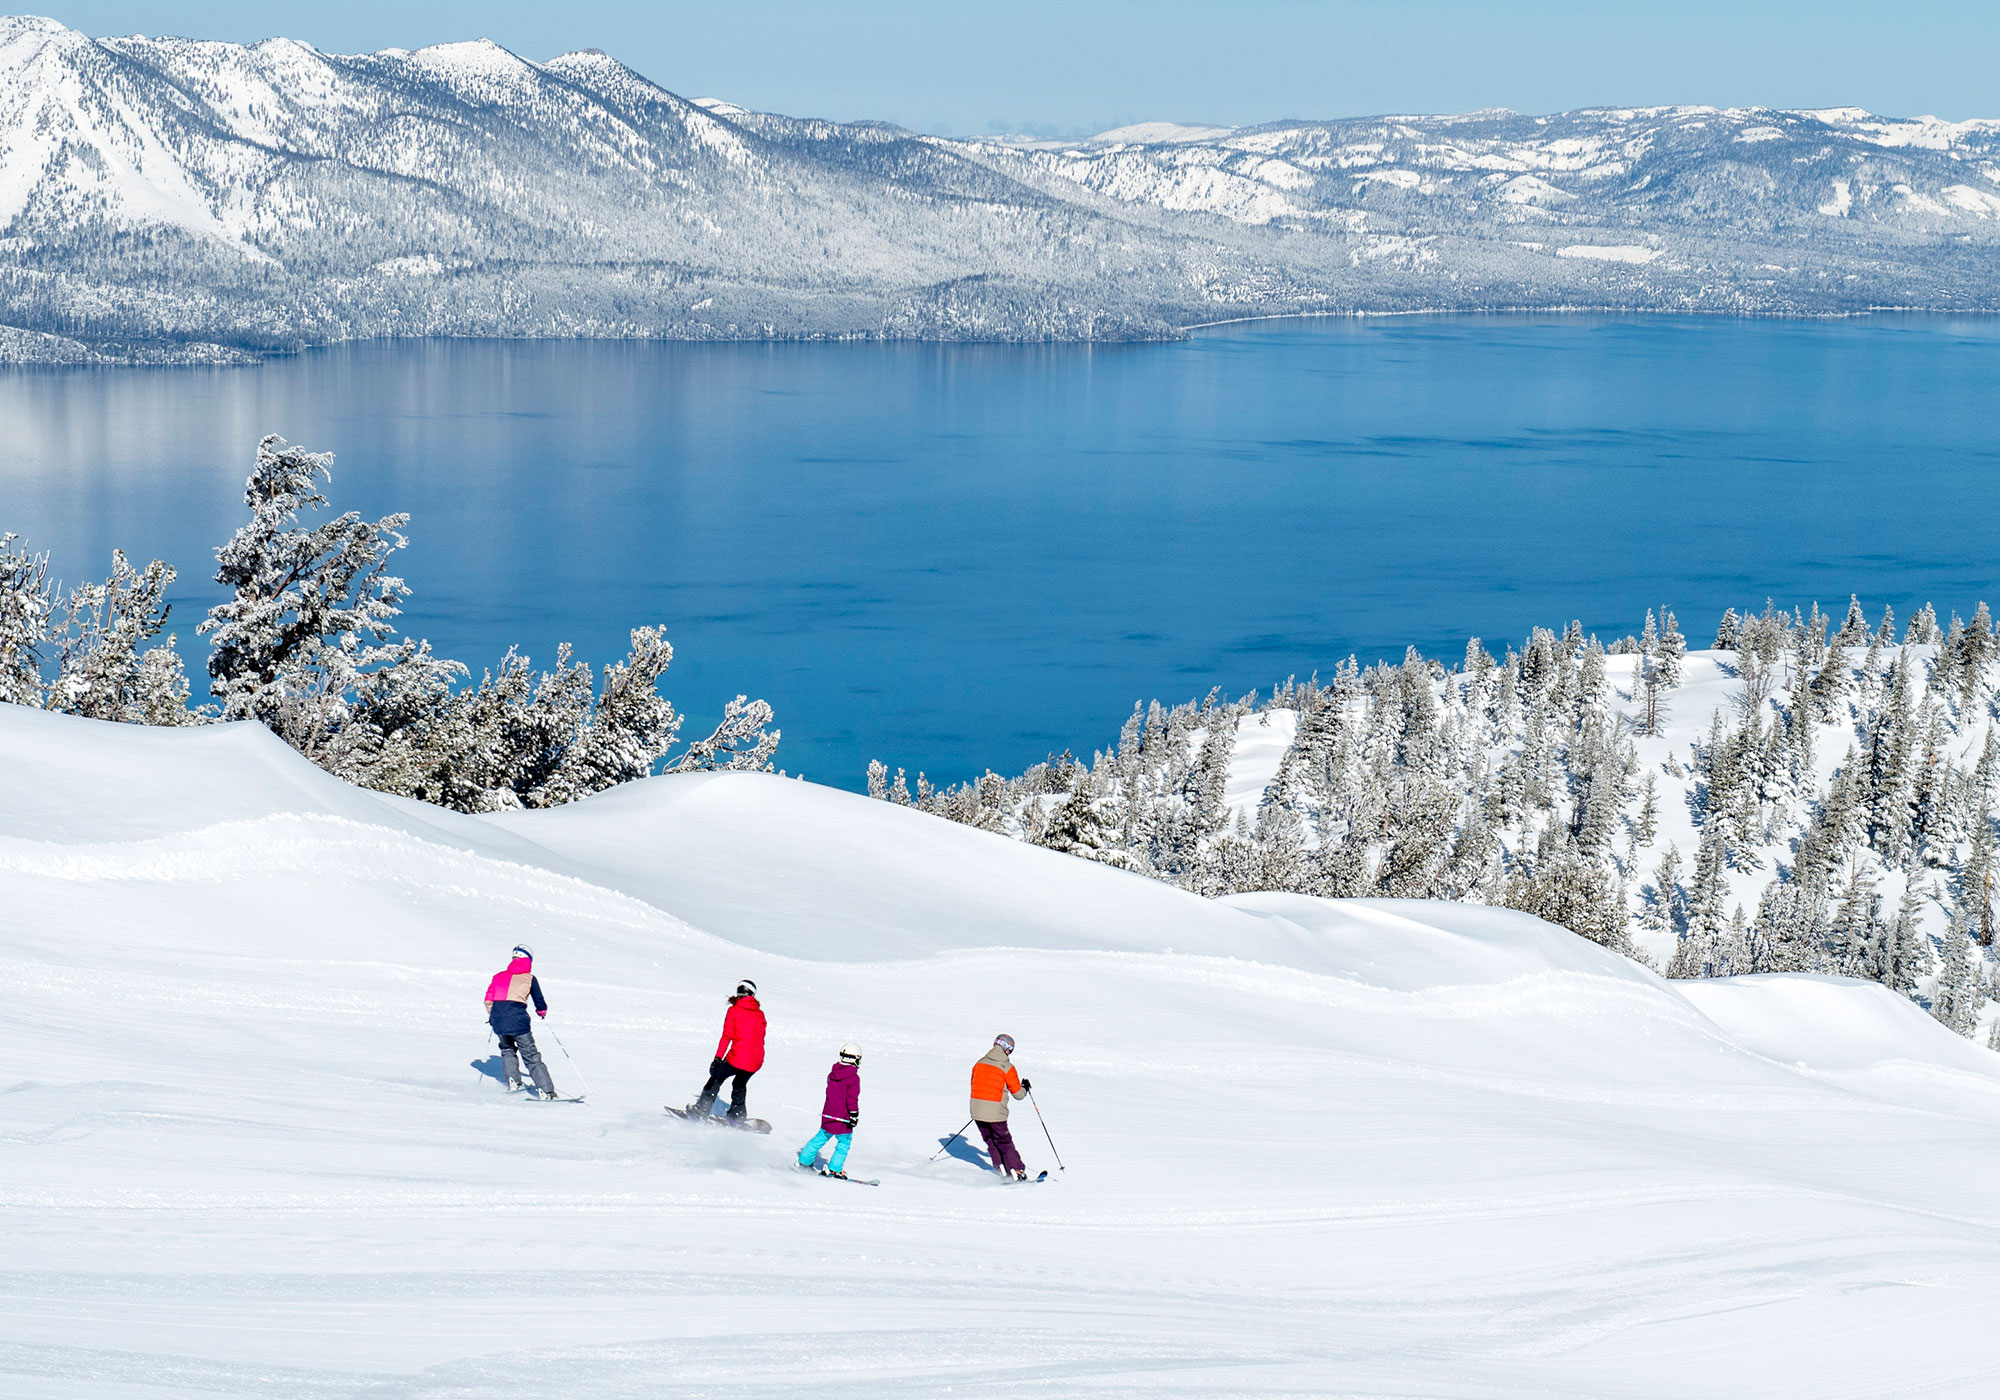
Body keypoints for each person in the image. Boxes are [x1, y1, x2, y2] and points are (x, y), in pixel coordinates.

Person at [484, 945, 558, 1099]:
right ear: (529, 960)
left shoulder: (498, 976)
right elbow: (539, 1000)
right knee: (531, 1056)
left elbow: (488, 1000)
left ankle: (514, 1082)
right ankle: (546, 1091)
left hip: (498, 1022)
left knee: (507, 1050)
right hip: (518, 1022)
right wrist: (541, 1011)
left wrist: (495, 1016)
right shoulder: (529, 978)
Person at [691, 979, 765, 1119]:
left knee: (716, 1078)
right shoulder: (760, 1014)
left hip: (738, 1057)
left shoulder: (734, 1010)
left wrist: (717, 1059)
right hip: (756, 1060)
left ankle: (700, 1111)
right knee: (739, 1084)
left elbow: (727, 1037)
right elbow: (759, 1036)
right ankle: (737, 1116)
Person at [970, 1033, 1032, 1181]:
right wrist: (1025, 1087)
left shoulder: (979, 1063)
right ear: (1007, 1049)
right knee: (1004, 1141)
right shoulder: (1007, 1067)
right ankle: (1017, 1171)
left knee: (990, 1140)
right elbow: (1018, 1094)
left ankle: (1001, 1168)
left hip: (976, 1110)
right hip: (995, 1112)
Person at [797, 1043, 863, 1177]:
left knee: (821, 1137)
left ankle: (804, 1160)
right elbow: (851, 1099)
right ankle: (834, 1168)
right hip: (843, 1117)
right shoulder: (853, 1078)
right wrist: (854, 1116)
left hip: (828, 1114)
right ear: (856, 1059)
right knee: (844, 1142)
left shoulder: (833, 1074)